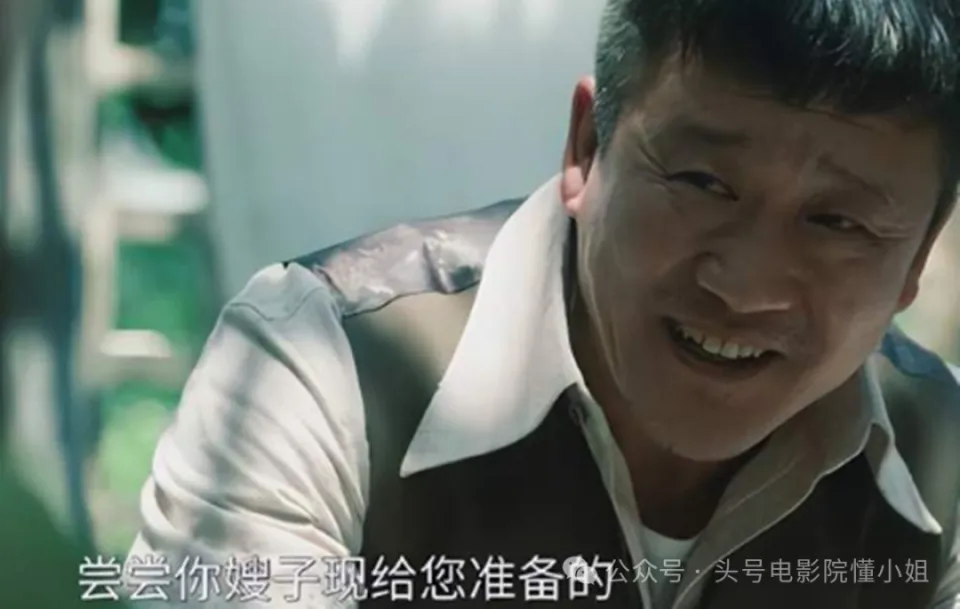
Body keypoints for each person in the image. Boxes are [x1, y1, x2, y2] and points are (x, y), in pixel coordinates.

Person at [129, 0, 960, 607]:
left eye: (838, 223)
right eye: (704, 182)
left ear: (917, 257)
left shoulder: (943, 462)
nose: (745, 284)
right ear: (587, 148)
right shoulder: (324, 366)